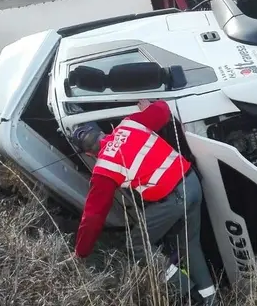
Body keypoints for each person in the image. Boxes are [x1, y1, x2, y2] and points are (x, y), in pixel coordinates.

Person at [64, 99, 217, 306]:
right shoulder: (129, 124)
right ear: (102, 132)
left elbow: (93, 216)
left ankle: (190, 297)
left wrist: (80, 252)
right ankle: (211, 298)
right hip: (192, 182)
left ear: (90, 153)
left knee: (138, 244)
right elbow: (163, 110)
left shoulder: (104, 168)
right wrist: (149, 106)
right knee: (189, 243)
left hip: (174, 199)